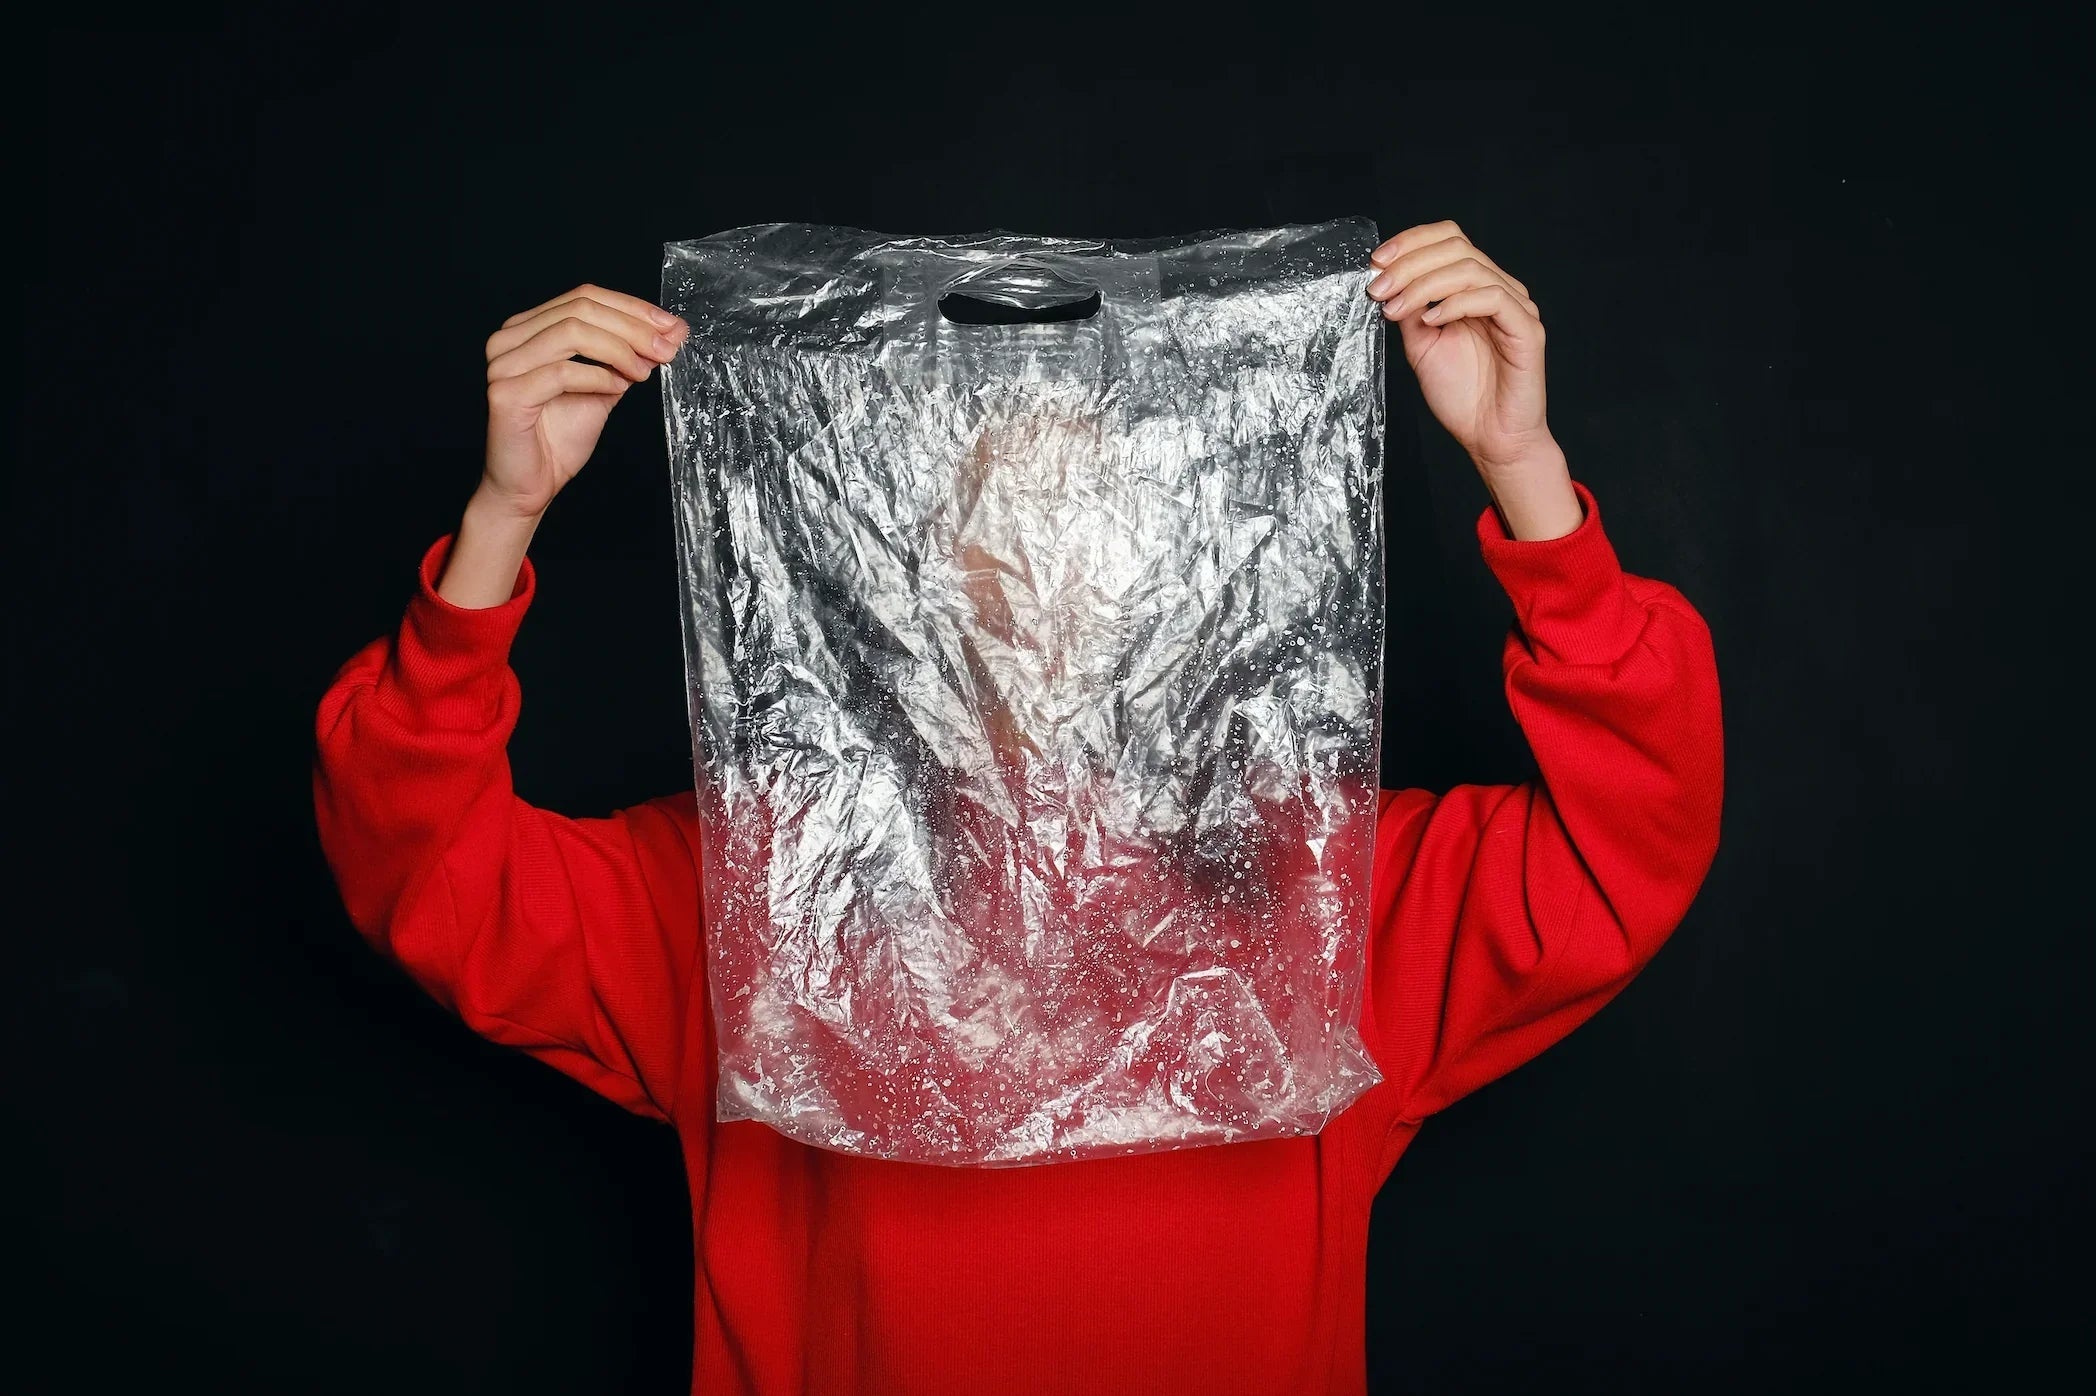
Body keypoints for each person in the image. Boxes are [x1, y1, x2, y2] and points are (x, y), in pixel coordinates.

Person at [314, 220, 1723, 1394]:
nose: (1045, 586)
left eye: (1095, 530)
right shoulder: (766, 899)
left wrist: (1525, 475)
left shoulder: (1326, 896)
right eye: (991, 532)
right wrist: (500, 523)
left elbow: (1627, 850)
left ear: (1192, 574)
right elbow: (424, 877)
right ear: (901, 578)